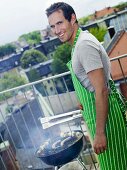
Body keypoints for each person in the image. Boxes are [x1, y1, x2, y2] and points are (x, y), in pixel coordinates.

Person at [46, 2, 127, 170]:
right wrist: (85, 100)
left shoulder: (83, 45)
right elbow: (92, 85)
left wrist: (99, 133)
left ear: (72, 18)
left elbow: (102, 90)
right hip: (102, 118)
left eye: (60, 23)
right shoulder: (77, 44)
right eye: (52, 26)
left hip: (108, 121)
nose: (56, 30)